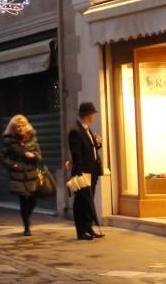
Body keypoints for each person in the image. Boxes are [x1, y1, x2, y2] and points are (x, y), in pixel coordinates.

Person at [67, 101, 104, 240]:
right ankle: (81, 231)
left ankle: (89, 227)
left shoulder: (87, 129)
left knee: (89, 200)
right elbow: (76, 153)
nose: (94, 116)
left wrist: (98, 143)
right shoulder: (75, 131)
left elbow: (90, 149)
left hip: (92, 171)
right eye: (93, 114)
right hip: (83, 172)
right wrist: (80, 172)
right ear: (88, 115)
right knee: (81, 202)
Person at [0, 114, 43, 236]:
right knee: (23, 200)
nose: (20, 128)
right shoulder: (9, 141)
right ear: (13, 128)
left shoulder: (32, 139)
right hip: (18, 175)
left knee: (33, 201)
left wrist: (34, 156)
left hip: (32, 174)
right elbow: (2, 158)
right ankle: (27, 227)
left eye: (22, 125)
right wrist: (13, 165)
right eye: (17, 126)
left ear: (26, 126)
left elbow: (40, 156)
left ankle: (27, 218)